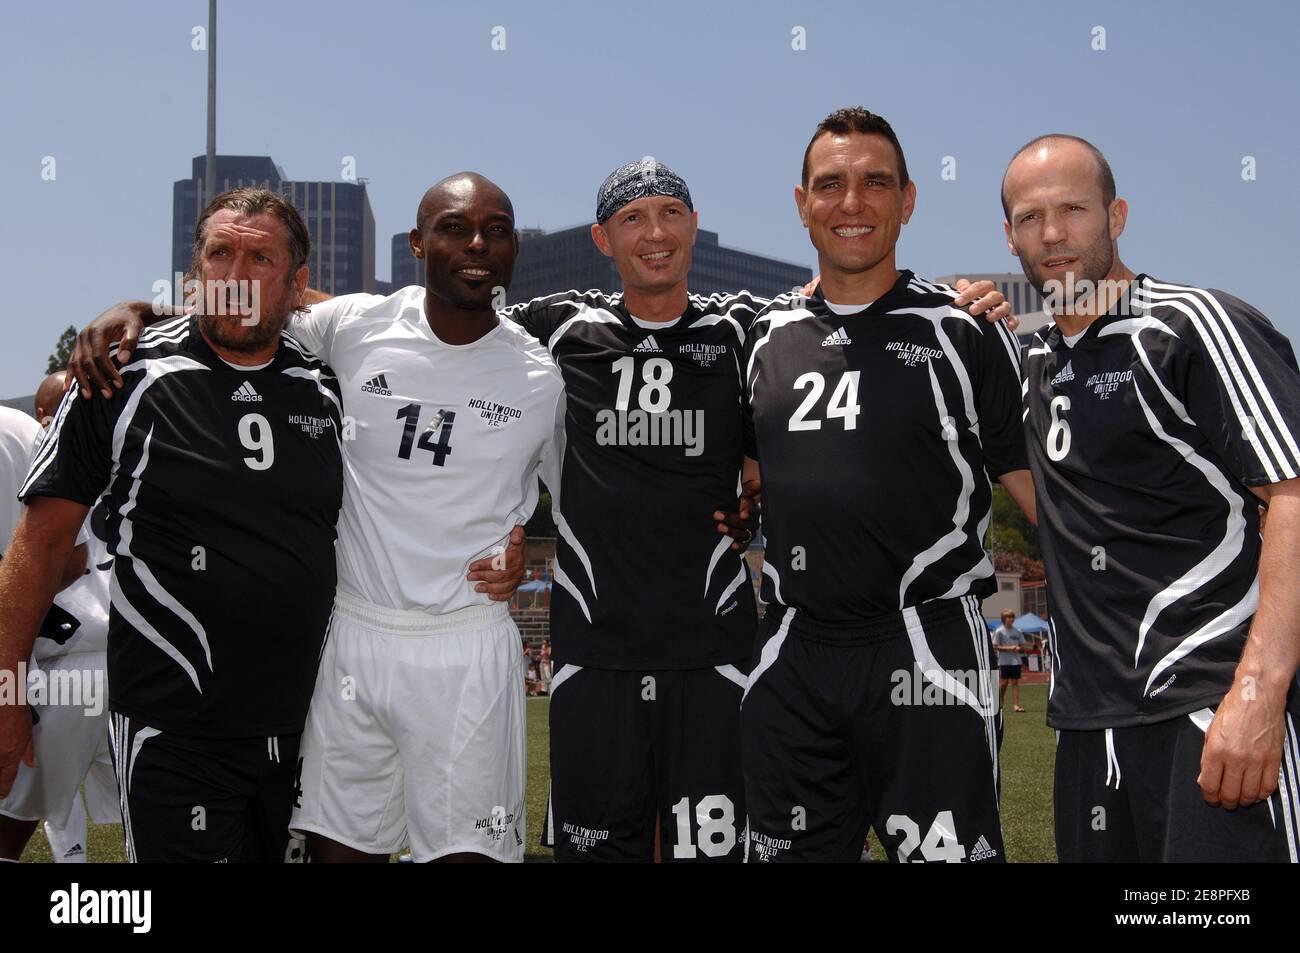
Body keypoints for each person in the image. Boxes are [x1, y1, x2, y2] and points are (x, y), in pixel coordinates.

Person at [499, 158, 1011, 863]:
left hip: (718, 655)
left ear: (694, 225)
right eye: (633, 218)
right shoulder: (555, 328)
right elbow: (450, 329)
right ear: (602, 238)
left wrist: (960, 299)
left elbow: (841, 309)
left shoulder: (745, 327)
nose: (656, 233)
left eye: (671, 213)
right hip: (593, 652)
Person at [0, 188, 346, 862]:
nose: (236, 273)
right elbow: (38, 545)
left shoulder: (330, 379)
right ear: (195, 272)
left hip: (314, 727)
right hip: (175, 727)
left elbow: (410, 326)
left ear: (298, 283)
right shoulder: (120, 372)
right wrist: (7, 693)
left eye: (262, 258)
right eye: (220, 253)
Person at [741, 107, 1035, 863]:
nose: (852, 202)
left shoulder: (965, 329)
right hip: (795, 647)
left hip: (927, 643)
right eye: (830, 185)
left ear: (907, 201)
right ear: (802, 203)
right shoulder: (764, 338)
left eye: (875, 183)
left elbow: (1041, 497)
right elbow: (739, 477)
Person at [1002, 134, 1300, 862]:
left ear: (1117, 215)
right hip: (1086, 725)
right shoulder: (1031, 363)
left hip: (1207, 705)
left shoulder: (1193, 326)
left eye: (1073, 209)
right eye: (1030, 217)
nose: (1053, 234)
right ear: (1009, 237)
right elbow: (1056, 509)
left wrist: (1258, 693)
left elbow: (1291, 495)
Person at [0, 372, 118, 864]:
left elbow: (66, 559)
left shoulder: (19, 431)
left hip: (51, 656)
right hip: (108, 644)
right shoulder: (20, 428)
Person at [993, 611, 1027, 713]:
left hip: (1016, 661)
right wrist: (1010, 648)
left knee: (1015, 682)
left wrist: (1019, 648)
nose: (1011, 619)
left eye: (1012, 617)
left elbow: (1023, 646)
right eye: (1008, 617)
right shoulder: (999, 631)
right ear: (1004, 619)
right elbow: (994, 647)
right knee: (1003, 683)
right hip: (1004, 661)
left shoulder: (1018, 631)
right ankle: (1000, 702)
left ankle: (1016, 705)